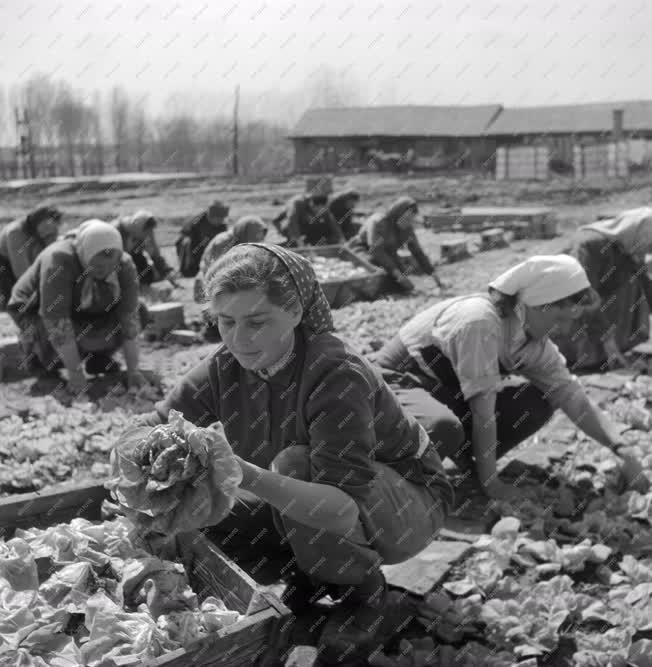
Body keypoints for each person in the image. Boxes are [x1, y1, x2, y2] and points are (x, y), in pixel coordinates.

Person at [135, 243, 455, 663]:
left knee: (292, 466)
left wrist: (245, 475)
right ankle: (310, 574)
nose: (239, 338)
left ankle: (364, 594)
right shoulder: (225, 366)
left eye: (256, 321)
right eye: (225, 322)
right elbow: (150, 426)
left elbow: (342, 510)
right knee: (205, 502)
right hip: (325, 499)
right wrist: (145, 470)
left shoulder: (335, 374)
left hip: (407, 505)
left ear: (296, 313)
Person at [371, 255, 650, 501]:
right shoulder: (480, 321)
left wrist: (622, 449)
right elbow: (483, 413)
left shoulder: (534, 344)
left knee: (536, 401)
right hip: (396, 384)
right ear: (540, 305)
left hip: (444, 394)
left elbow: (573, 397)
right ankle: (383, 486)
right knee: (441, 427)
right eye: (561, 319)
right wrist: (493, 485)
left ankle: (469, 463)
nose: (565, 330)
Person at [8, 219, 147, 392]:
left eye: (110, 266)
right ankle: (41, 363)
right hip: (35, 310)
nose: (104, 270)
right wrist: (75, 374)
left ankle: (98, 358)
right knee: (47, 328)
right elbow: (56, 320)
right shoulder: (59, 259)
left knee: (139, 310)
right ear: (85, 254)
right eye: (97, 265)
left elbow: (129, 317)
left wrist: (133, 371)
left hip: (81, 309)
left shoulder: (125, 263)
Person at [551, 208, 652, 370]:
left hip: (597, 300)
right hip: (568, 303)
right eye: (650, 245)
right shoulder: (589, 244)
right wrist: (606, 338)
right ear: (641, 233)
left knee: (636, 283)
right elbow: (581, 294)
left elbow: (647, 287)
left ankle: (618, 347)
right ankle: (583, 357)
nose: (649, 252)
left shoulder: (628, 244)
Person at [348, 196, 444, 292]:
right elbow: (376, 250)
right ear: (397, 213)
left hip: (389, 255)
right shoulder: (378, 222)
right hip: (363, 252)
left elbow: (417, 252)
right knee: (380, 276)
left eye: (410, 219)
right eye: (405, 218)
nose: (408, 222)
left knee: (404, 286)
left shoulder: (406, 228)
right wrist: (396, 273)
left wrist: (435, 276)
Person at [193, 215, 267, 303]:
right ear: (246, 231)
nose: (259, 239)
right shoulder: (223, 242)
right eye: (255, 234)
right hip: (209, 283)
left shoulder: (244, 241)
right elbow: (216, 271)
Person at [0, 206, 62, 309]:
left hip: (29, 260)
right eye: (47, 230)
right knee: (15, 303)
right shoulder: (15, 233)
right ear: (38, 222)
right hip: (5, 265)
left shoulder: (45, 230)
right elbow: (20, 271)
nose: (49, 234)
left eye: (53, 231)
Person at [113, 210, 178, 287]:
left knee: (147, 274)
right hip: (114, 263)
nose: (149, 235)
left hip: (131, 258)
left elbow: (155, 254)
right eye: (147, 232)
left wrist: (167, 271)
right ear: (138, 228)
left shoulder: (142, 231)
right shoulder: (116, 231)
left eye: (150, 232)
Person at [278, 176, 344, 247]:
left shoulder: (321, 205)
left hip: (305, 226)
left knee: (320, 224)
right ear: (312, 205)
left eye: (322, 210)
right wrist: (300, 242)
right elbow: (293, 222)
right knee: (293, 239)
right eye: (318, 210)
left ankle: (312, 242)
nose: (319, 212)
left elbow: (332, 222)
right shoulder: (297, 203)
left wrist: (341, 238)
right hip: (288, 226)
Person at [175, 200, 230, 277]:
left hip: (209, 254)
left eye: (222, 218)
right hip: (194, 252)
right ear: (211, 216)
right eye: (219, 218)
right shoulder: (197, 222)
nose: (221, 221)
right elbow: (183, 235)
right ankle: (186, 270)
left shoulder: (222, 226)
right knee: (186, 242)